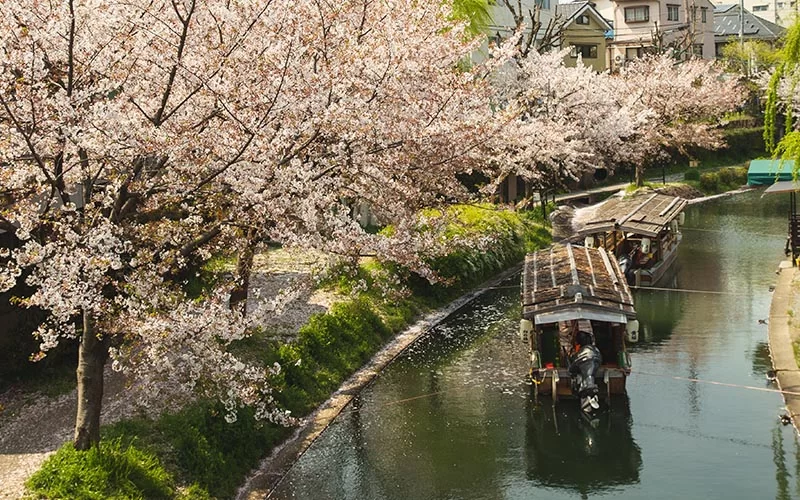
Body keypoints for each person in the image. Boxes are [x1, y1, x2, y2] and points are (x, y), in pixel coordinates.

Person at [569, 330, 602, 413]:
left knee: (580, 377)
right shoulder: (595, 350)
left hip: (586, 373)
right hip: (593, 365)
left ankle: (585, 398)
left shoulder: (581, 352)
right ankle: (590, 397)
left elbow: (572, 368)